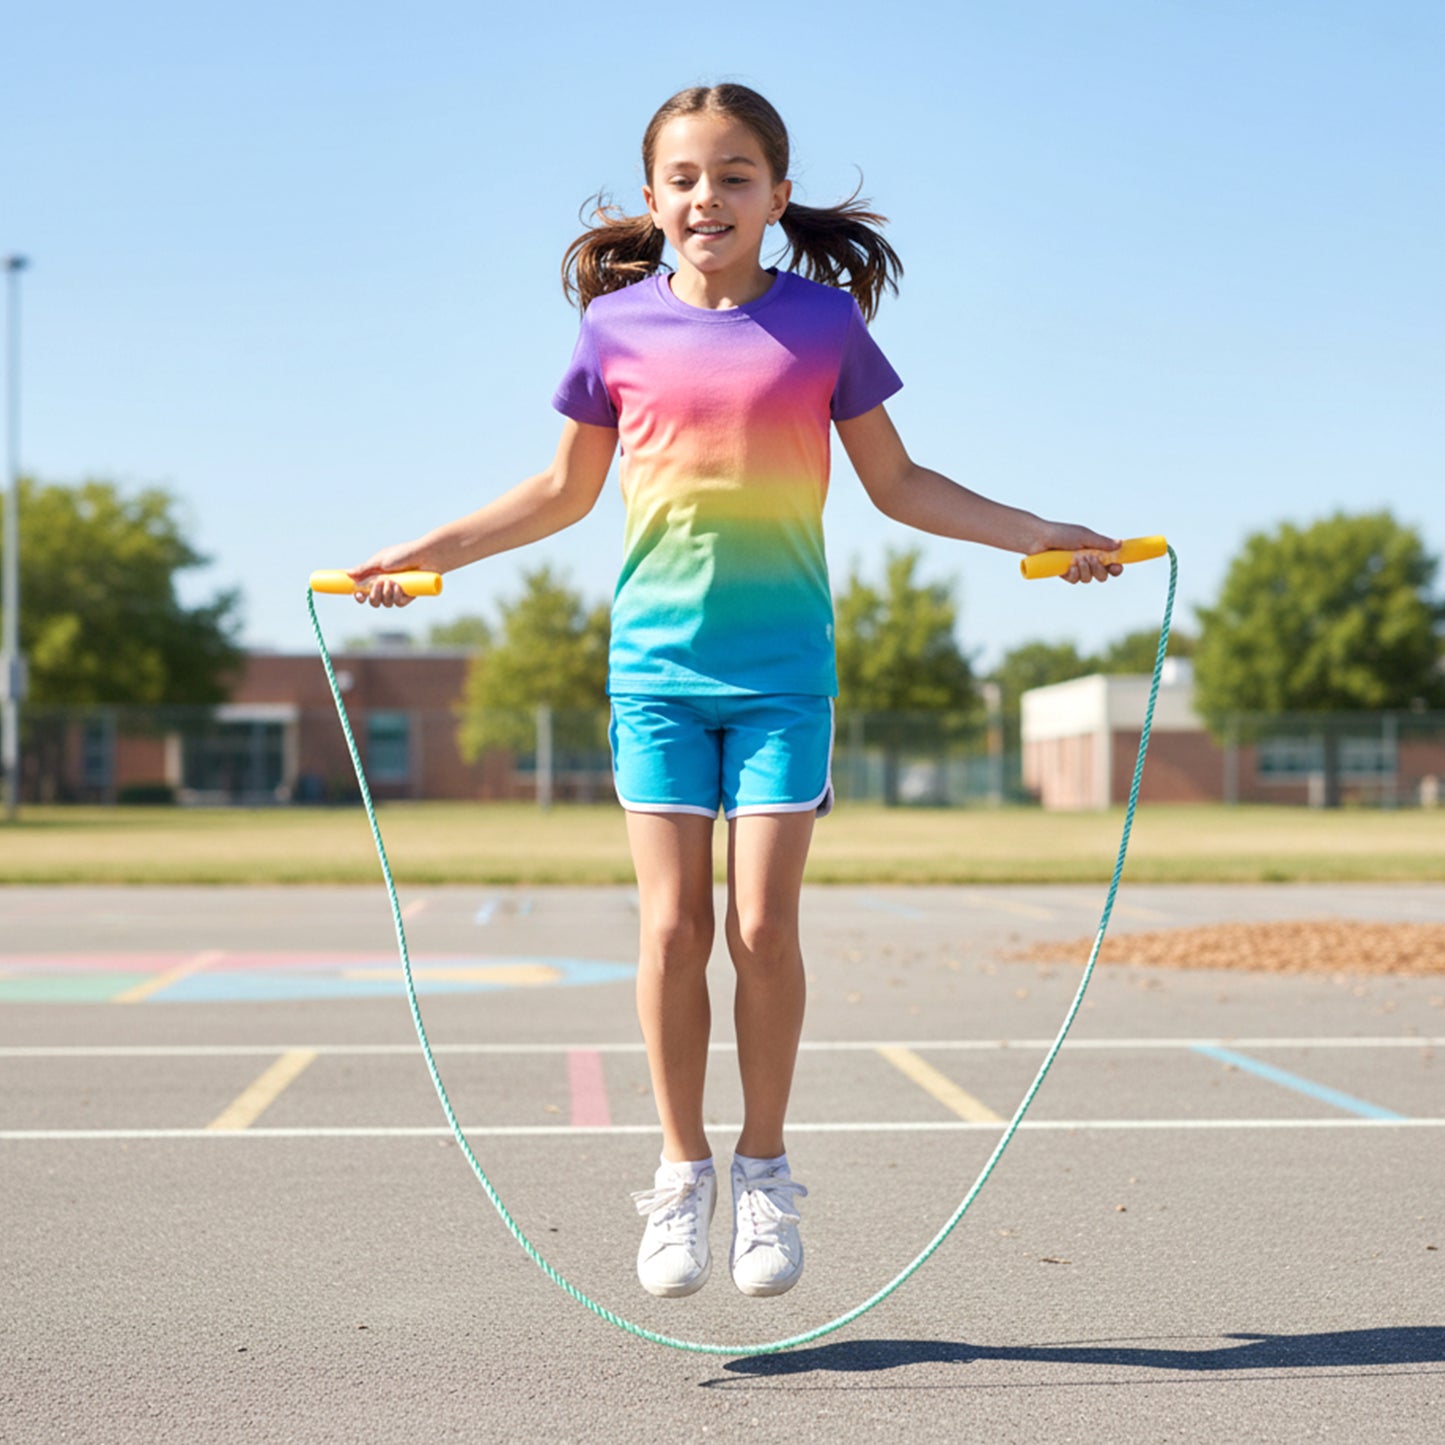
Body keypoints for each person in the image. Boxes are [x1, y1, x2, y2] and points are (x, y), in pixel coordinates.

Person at [348, 83, 1122, 1302]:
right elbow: (556, 494)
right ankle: (680, 1171)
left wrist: (1037, 530)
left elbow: (901, 484)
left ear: (773, 192)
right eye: (685, 178)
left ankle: (763, 1170)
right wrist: (424, 552)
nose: (709, 197)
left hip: (780, 681)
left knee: (761, 927)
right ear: (651, 199)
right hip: (654, 675)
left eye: (736, 175)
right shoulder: (615, 329)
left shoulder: (822, 327)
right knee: (670, 930)